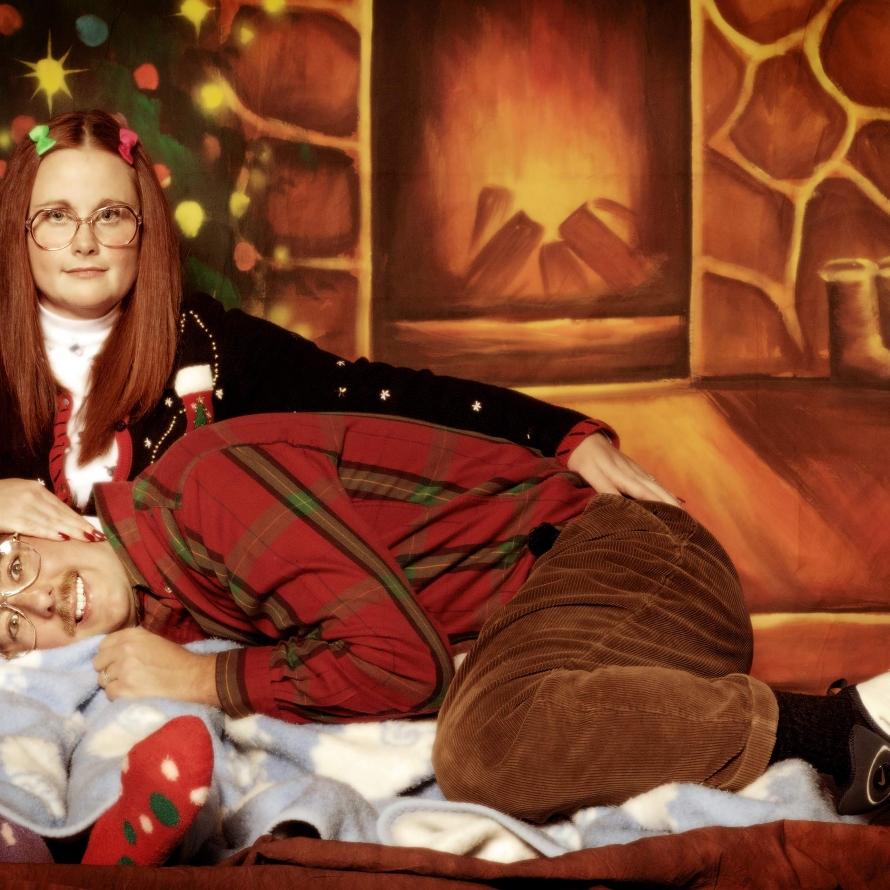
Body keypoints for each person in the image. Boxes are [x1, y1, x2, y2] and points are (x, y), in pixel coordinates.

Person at [1, 411, 888, 826]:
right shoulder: (162, 607)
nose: (36, 602)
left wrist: (207, 679)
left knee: (481, 750)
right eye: (8, 628)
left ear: (48, 520)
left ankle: (846, 727)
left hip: (624, 559)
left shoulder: (204, 494)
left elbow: (401, 665)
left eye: (14, 566)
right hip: (564, 634)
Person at [0, 109, 677, 546]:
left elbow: (383, 395)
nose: (84, 241)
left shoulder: (210, 345)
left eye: (110, 215)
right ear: (18, 233)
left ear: (143, 230)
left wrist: (561, 435)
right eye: (56, 216)